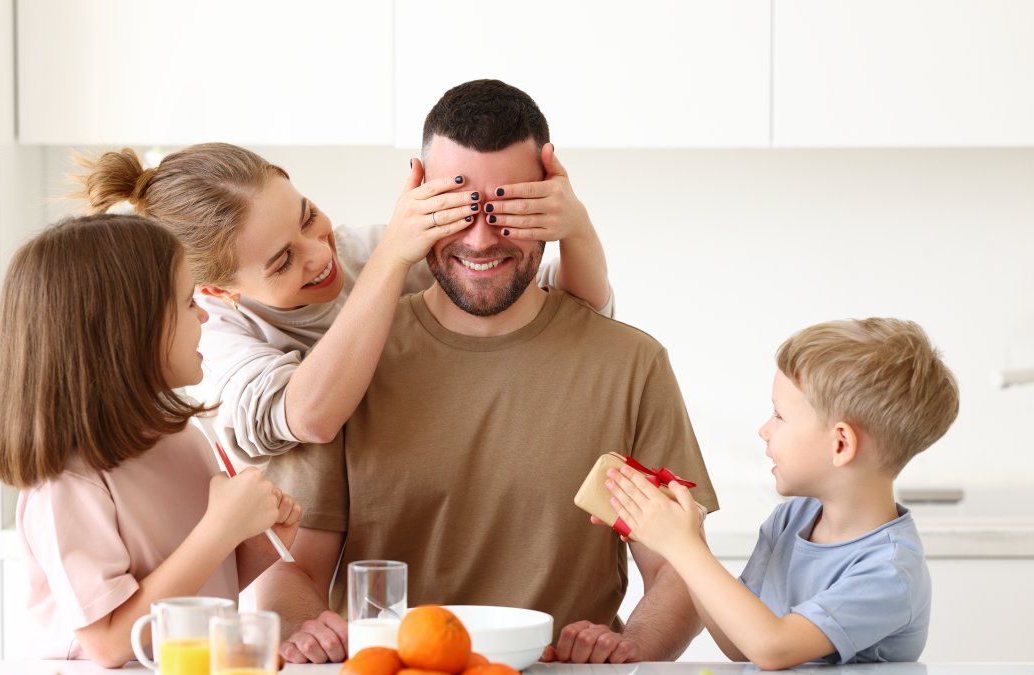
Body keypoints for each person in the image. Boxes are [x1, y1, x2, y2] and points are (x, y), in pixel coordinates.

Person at [254, 79, 720, 665]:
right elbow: (291, 568)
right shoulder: (350, 365)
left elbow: (682, 568)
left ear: (551, 203)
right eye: (456, 208)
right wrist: (303, 627)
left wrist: (633, 647)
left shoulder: (632, 363)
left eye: (509, 210)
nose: (480, 239)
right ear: (418, 200)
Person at [74, 137, 612, 462]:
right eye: (282, 261)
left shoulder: (372, 250)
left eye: (308, 216)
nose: (318, 255)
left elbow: (572, 325)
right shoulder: (211, 334)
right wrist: (391, 263)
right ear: (217, 290)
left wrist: (578, 230)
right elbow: (308, 418)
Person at [0, 214, 301, 665]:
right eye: (189, 302)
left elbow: (195, 590)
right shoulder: (69, 483)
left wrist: (254, 543)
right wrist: (221, 527)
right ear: (127, 330)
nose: (205, 314)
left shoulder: (181, 439)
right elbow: (110, 642)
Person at [604, 318, 959, 669]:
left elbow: (771, 647)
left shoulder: (890, 571)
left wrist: (683, 547)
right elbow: (738, 644)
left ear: (840, 443)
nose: (764, 430)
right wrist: (687, 537)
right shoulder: (791, 520)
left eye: (779, 415)